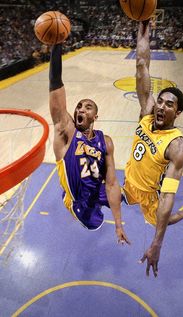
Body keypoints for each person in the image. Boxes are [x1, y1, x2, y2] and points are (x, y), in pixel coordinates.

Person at [122, 20, 183, 277]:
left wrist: (157, 243)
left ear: (177, 113)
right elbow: (142, 65)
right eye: (161, 100)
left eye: (170, 105)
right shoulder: (146, 112)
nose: (162, 106)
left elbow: (168, 195)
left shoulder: (177, 146)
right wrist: (144, 25)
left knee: (163, 219)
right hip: (129, 181)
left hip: (150, 195)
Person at [49, 44, 130, 244]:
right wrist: (56, 46)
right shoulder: (66, 133)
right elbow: (56, 90)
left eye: (88, 107)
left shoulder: (106, 141)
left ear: (95, 116)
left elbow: (110, 182)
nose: (81, 110)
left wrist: (119, 224)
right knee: (95, 223)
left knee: (121, 191)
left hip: (97, 188)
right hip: (80, 203)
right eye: (78, 106)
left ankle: (111, 197)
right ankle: (73, 199)